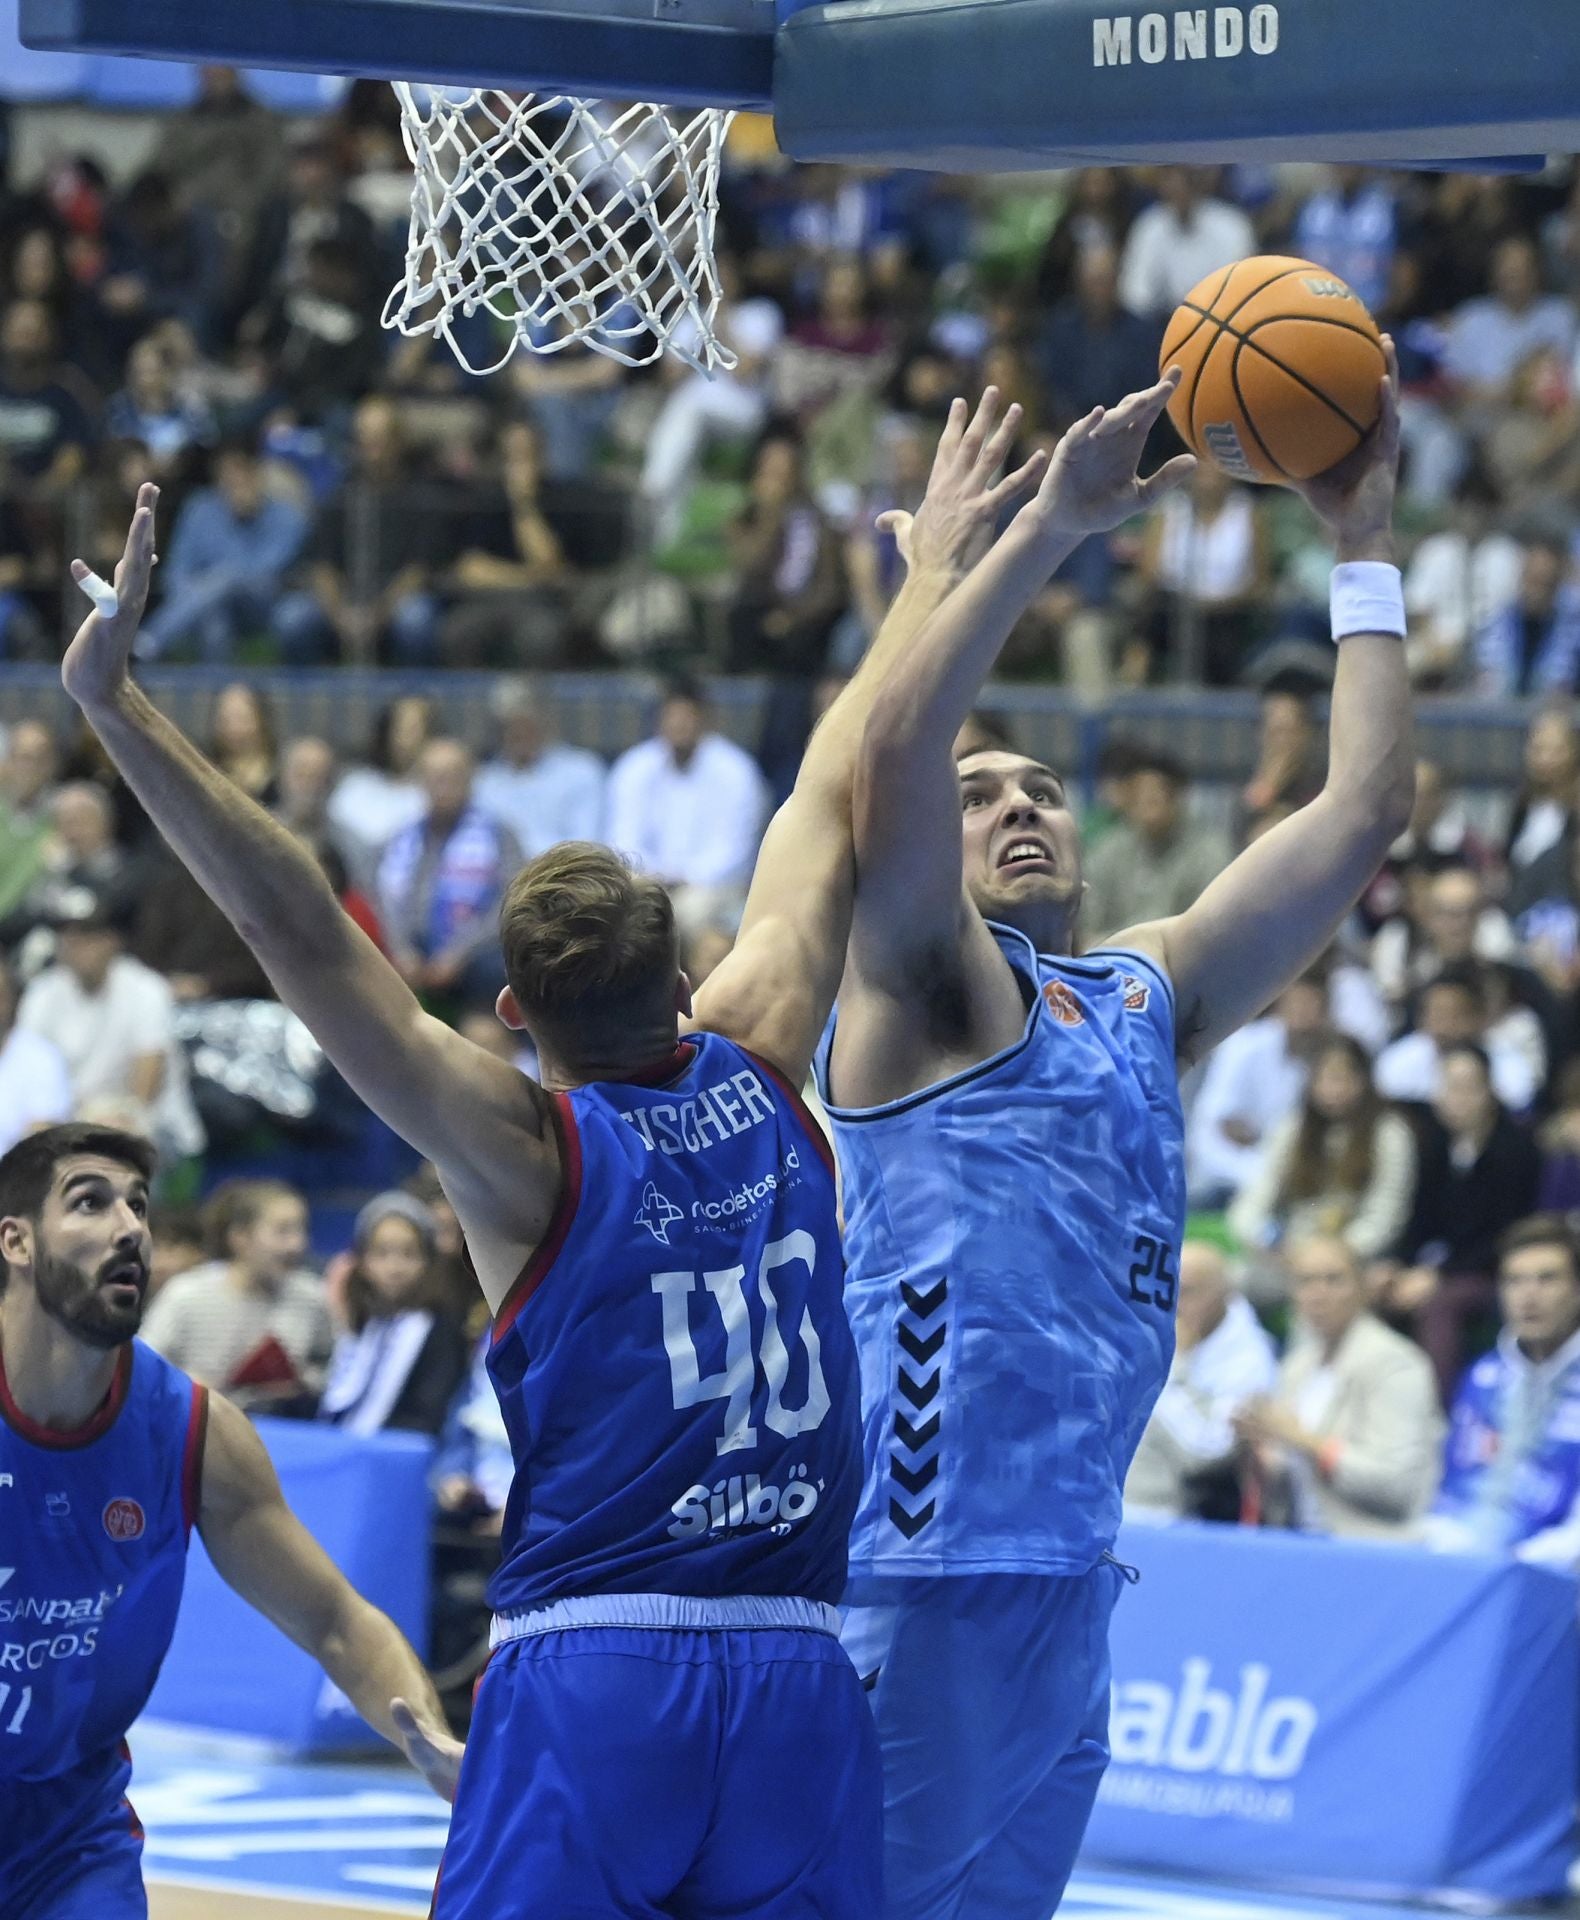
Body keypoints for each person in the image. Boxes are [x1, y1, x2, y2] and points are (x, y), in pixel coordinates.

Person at [55, 407, 1045, 1915]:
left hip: (600, 1669)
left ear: (516, 1014)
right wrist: (927, 575)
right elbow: (838, 786)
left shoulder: (524, 1147)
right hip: (795, 1664)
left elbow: (300, 930)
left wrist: (122, 710)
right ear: (684, 970)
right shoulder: (767, 1042)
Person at [816, 348, 1413, 1919]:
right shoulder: (923, 986)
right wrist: (1045, 535)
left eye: (1039, 790)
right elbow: (885, 761)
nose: (1017, 806)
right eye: (981, 791)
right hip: (915, 1576)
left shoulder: (1147, 989)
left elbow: (1359, 814)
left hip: (1072, 1575)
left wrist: (1365, 546)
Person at [0, 1123, 460, 1920]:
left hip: (65, 1840)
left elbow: (335, 1620)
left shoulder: (192, 1430)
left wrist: (428, 1738)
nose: (130, 1227)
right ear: (16, 1240)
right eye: (90, 1202)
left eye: (139, 1207)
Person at [1232, 1235, 1442, 1539]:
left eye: (1334, 1280)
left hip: (1370, 1543)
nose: (1318, 1294)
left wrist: (1300, 1439)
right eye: (1305, 1282)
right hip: (1302, 1539)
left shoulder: (1396, 1364)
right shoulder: (1298, 1366)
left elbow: (1396, 1486)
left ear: (1363, 1288)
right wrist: (1254, 1444)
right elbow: (1288, 1482)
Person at [1376, 1042, 1541, 1398]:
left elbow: (1505, 1235)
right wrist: (1397, 1264)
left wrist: (1437, 1275)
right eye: (1449, 1087)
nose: (1458, 1098)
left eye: (1469, 1087)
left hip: (1491, 1269)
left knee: (1439, 1306)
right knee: (1373, 1286)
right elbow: (1418, 1218)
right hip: (1441, 1264)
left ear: (1489, 1090)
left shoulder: (1516, 1148)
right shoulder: (1434, 1141)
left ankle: (1439, 1410)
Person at [1424, 1214, 1580, 1567]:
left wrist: (1511, 1565)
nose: (1529, 1295)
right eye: (1515, 1281)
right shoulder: (1483, 1376)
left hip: (1553, 1577)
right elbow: (1452, 1492)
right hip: (1470, 1564)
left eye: (1547, 1279)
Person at [1228, 1033, 1418, 1285]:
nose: (1334, 1089)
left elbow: (1386, 1215)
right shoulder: (1292, 1129)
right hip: (1291, 1257)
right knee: (1228, 1281)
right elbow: (1251, 1204)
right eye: (1324, 1079)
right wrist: (1268, 1240)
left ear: (1363, 1080)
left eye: (1342, 1078)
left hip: (1358, 1260)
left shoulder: (1390, 1134)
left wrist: (1332, 1255)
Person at [604, 677, 771, 940]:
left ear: (705, 720)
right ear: (658, 720)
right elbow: (622, 839)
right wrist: (655, 876)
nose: (678, 724)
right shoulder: (634, 767)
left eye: (687, 717)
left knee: (681, 915)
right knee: (622, 912)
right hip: (646, 882)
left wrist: (684, 878)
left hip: (713, 887)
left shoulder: (736, 770)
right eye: (671, 716)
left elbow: (735, 852)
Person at [139, 1179, 331, 1409]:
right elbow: (140, 1371)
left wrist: (303, 1383)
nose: (297, 1244)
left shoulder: (311, 1297)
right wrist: (185, 1386)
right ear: (240, 1237)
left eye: (302, 1230)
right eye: (283, 1231)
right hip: (194, 1426)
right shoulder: (186, 1294)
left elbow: (333, 1369)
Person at [1123, 1241, 1276, 1522]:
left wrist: (1169, 1366)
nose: (1175, 1306)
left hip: (1170, 1517)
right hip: (1124, 1503)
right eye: (1171, 1290)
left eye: (1189, 1292)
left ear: (1224, 1294)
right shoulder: (1161, 1334)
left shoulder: (1249, 1360)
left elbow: (1209, 1450)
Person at [317, 1193, 472, 1437]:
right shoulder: (363, 1320)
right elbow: (337, 1396)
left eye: (409, 1254)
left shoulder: (443, 1329)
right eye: (381, 1253)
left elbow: (428, 1413)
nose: (394, 1267)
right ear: (361, 1261)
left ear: (429, 1261)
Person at [1079, 746, 1230, 938]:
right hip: (1115, 957)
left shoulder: (1208, 853)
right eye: (1139, 794)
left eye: (1156, 793)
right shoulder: (1107, 851)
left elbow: (1212, 925)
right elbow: (1088, 924)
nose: (1148, 802)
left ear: (1178, 796)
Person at [471, 675, 607, 860]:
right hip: (499, 883)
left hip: (564, 879)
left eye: (526, 723)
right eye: (510, 725)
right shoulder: (484, 782)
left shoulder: (582, 770)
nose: (518, 732)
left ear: (545, 720)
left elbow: (585, 847)